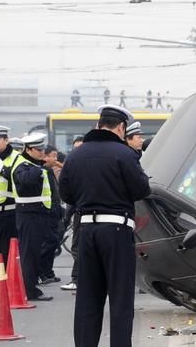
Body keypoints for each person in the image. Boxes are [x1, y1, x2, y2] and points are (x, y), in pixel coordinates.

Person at [59, 104, 150, 346]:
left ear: (98, 125)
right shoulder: (125, 154)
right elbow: (142, 189)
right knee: (120, 299)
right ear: (121, 127)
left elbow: (66, 193)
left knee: (88, 297)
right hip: (117, 231)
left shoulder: (75, 155)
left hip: (86, 229)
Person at [11, 132, 55, 301]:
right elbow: (24, 181)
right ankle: (29, 290)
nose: (41, 152)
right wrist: (40, 168)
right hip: (28, 214)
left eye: (42, 148)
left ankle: (31, 286)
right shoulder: (22, 165)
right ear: (28, 150)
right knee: (29, 253)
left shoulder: (31, 163)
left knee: (35, 252)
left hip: (37, 214)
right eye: (38, 149)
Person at [0, 125, 20, 265]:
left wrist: (2, 170)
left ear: (6, 140)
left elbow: (21, 180)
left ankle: (8, 285)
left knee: (7, 251)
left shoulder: (16, 157)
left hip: (7, 213)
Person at [37, 145, 64, 285]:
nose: (55, 158)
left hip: (55, 210)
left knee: (54, 242)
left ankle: (48, 272)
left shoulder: (50, 170)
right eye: (53, 155)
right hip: (47, 212)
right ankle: (42, 272)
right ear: (45, 156)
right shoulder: (42, 170)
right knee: (48, 242)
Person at [60, 136, 84, 291]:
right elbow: (68, 195)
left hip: (86, 213)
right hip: (79, 212)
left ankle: (80, 279)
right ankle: (77, 278)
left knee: (81, 248)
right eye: (75, 148)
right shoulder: (74, 166)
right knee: (77, 247)